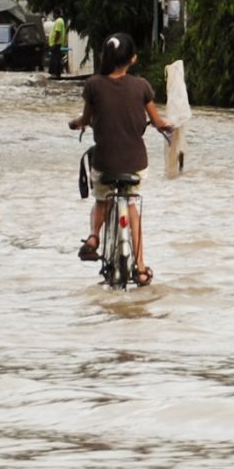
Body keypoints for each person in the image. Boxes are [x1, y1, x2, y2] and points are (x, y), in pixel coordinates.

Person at [68, 30, 171, 288]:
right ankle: (141, 267)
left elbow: (86, 119)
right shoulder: (142, 86)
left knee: (101, 199)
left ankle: (93, 237)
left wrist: (76, 123)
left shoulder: (93, 85)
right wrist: (170, 126)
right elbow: (159, 122)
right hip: (136, 165)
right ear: (133, 59)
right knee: (132, 205)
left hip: (105, 163)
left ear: (105, 57)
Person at [48, 14, 67, 80]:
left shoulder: (58, 21)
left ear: (56, 14)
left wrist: (54, 42)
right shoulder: (61, 21)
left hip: (55, 44)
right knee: (57, 58)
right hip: (58, 44)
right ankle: (57, 74)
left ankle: (54, 74)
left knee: (54, 59)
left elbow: (57, 33)